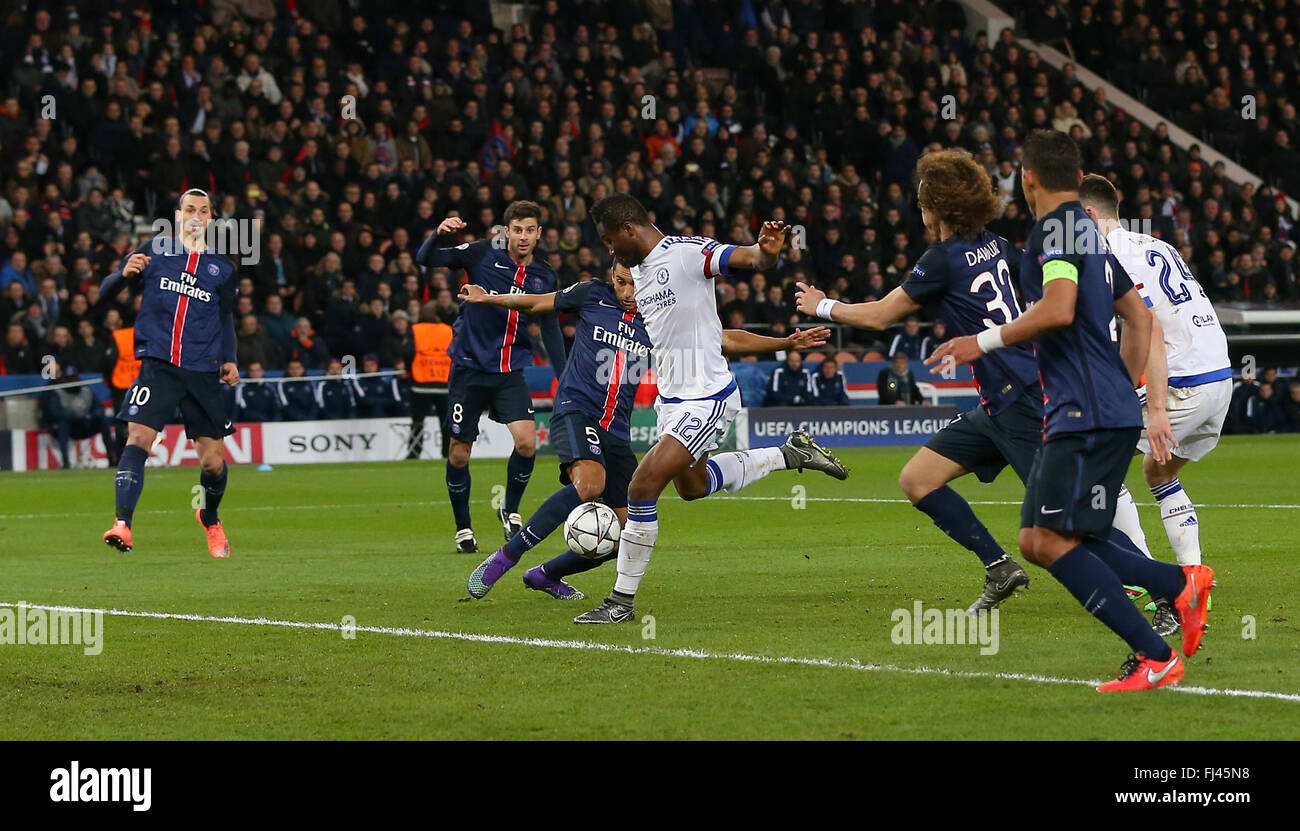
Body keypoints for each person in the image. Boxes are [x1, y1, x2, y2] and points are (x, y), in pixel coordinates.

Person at [926, 130, 1213, 692]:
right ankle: (1178, 588)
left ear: (1027, 178)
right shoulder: (1089, 231)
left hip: (1081, 410)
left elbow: (1057, 310)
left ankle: (1158, 646)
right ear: (1078, 179)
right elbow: (1140, 316)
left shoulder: (1052, 231)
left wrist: (978, 343)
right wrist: (1123, 387)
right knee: (1042, 538)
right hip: (1097, 407)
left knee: (1053, 539)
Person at [463, 263, 833, 600]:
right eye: (621, 283)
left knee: (627, 533)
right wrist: (488, 298)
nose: (628, 292)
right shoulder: (590, 295)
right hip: (576, 409)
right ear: (611, 277)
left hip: (617, 429)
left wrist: (785, 343)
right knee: (589, 485)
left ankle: (545, 575)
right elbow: (535, 304)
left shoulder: (660, 317)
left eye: (634, 285)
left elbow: (724, 339)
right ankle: (503, 559)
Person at [574, 193, 849, 624]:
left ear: (628, 228)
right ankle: (788, 454)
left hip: (708, 398)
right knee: (693, 487)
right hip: (672, 401)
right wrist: (784, 343)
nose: (611, 250)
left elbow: (750, 259)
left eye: (611, 240)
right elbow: (722, 337)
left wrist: (766, 252)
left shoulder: (685, 254)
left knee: (641, 486)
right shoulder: (641, 276)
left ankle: (620, 603)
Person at [1080, 173, 1233, 635]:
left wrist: (1158, 407)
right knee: (1157, 472)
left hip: (1182, 379)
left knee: (1095, 462)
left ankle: (1155, 587)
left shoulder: (1110, 256)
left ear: (1088, 216)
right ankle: (1192, 581)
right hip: (1219, 375)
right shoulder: (1157, 246)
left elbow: (1148, 327)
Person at [416, 202, 568, 553]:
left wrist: (565, 377)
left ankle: (511, 511)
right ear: (506, 232)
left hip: (509, 370)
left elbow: (549, 327)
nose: (524, 237)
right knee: (459, 453)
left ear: (539, 233)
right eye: (518, 230)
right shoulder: (482, 254)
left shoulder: (544, 276)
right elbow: (427, 259)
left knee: (527, 443)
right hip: (469, 368)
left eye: (531, 230)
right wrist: (436, 234)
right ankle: (463, 529)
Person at [96, 188, 239, 558]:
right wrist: (122, 274)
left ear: (210, 219)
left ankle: (209, 517)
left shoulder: (222, 269)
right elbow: (104, 294)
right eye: (189, 209)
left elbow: (226, 319)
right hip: (158, 365)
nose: (195, 215)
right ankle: (122, 524)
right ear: (177, 216)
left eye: (203, 210)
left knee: (212, 462)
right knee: (138, 439)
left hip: (203, 370)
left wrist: (231, 359)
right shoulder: (154, 249)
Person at [39, 365, 114, 469]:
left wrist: (91, 416)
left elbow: (99, 408)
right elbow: (55, 412)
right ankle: (66, 462)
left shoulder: (86, 391)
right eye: (68, 379)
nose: (71, 381)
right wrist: (73, 415)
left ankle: (112, 457)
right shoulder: (57, 392)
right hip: (69, 427)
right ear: (64, 379)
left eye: (73, 378)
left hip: (85, 424)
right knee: (63, 424)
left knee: (102, 420)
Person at [404, 303, 453, 458]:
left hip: (421, 383)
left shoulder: (416, 329)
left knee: (417, 421)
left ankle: (414, 453)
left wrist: (409, 370)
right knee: (446, 422)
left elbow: (407, 352)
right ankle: (447, 453)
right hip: (444, 382)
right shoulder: (448, 330)